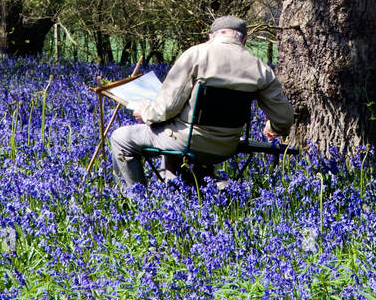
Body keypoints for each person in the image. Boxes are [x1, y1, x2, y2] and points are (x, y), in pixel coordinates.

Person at [108, 16, 294, 192]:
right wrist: (271, 126)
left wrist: (145, 112)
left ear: (211, 36)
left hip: (187, 142)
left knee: (121, 137)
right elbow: (284, 119)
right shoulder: (260, 68)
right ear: (244, 40)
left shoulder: (196, 55)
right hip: (227, 147)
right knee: (170, 124)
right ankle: (177, 181)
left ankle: (137, 200)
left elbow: (166, 108)